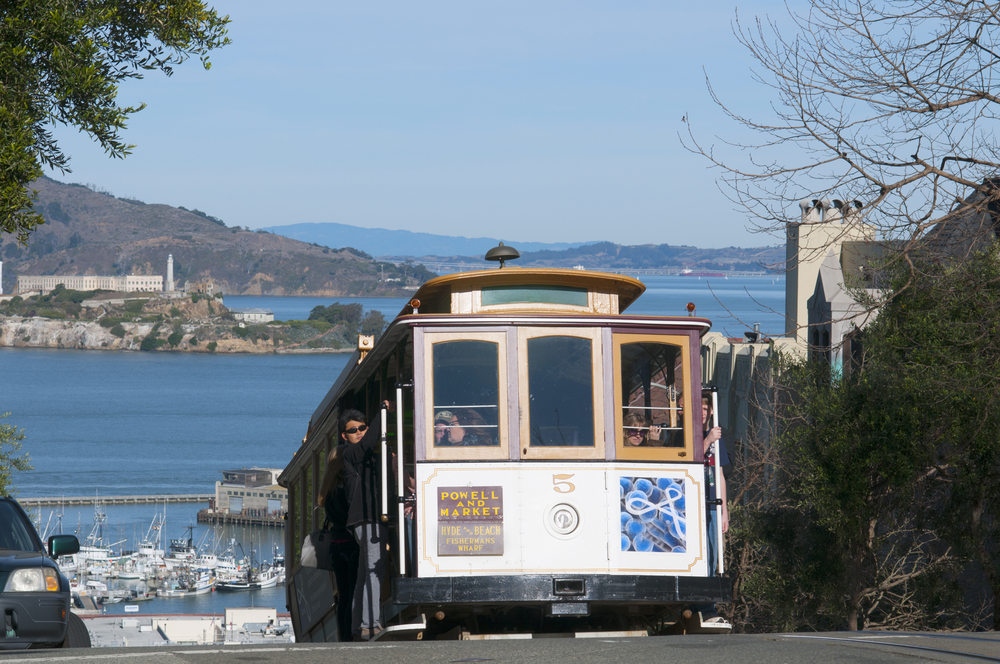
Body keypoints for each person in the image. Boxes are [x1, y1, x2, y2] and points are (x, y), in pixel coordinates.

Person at [340, 402, 395, 641]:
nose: (360, 432)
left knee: (364, 573)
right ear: (344, 436)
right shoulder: (348, 454)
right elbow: (365, 445)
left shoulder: (366, 457)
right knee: (375, 571)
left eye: (362, 427)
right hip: (367, 521)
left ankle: (357, 626)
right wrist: (381, 413)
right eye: (353, 430)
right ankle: (370, 624)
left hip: (368, 521)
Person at [316, 445, 358, 642]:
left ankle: (343, 635)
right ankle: (351, 632)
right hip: (351, 544)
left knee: (343, 595)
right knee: (353, 593)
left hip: (336, 545)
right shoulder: (346, 485)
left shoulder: (328, 488)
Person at [697, 393, 731, 624]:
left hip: (712, 504)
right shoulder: (687, 436)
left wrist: (724, 510)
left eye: (705, 408)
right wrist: (707, 440)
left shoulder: (718, 438)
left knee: (712, 556)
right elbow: (687, 459)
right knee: (697, 557)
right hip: (692, 504)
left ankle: (709, 607)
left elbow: (720, 475)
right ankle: (700, 606)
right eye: (697, 408)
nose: (701, 412)